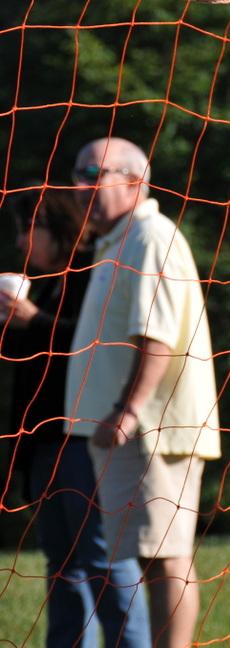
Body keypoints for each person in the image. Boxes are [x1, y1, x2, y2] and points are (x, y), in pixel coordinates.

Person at [65, 137, 221, 648]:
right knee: (149, 559)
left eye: (95, 173)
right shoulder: (118, 239)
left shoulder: (150, 235)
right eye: (78, 173)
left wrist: (128, 411)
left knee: (168, 557)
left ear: (135, 181)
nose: (80, 184)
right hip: (130, 430)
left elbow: (155, 333)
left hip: (152, 430)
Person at [1, 186, 150, 647]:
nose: (24, 242)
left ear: (61, 227)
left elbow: (96, 347)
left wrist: (33, 320)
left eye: (32, 229)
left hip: (88, 440)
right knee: (62, 567)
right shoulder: (42, 285)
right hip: (46, 444)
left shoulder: (94, 276)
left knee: (105, 561)